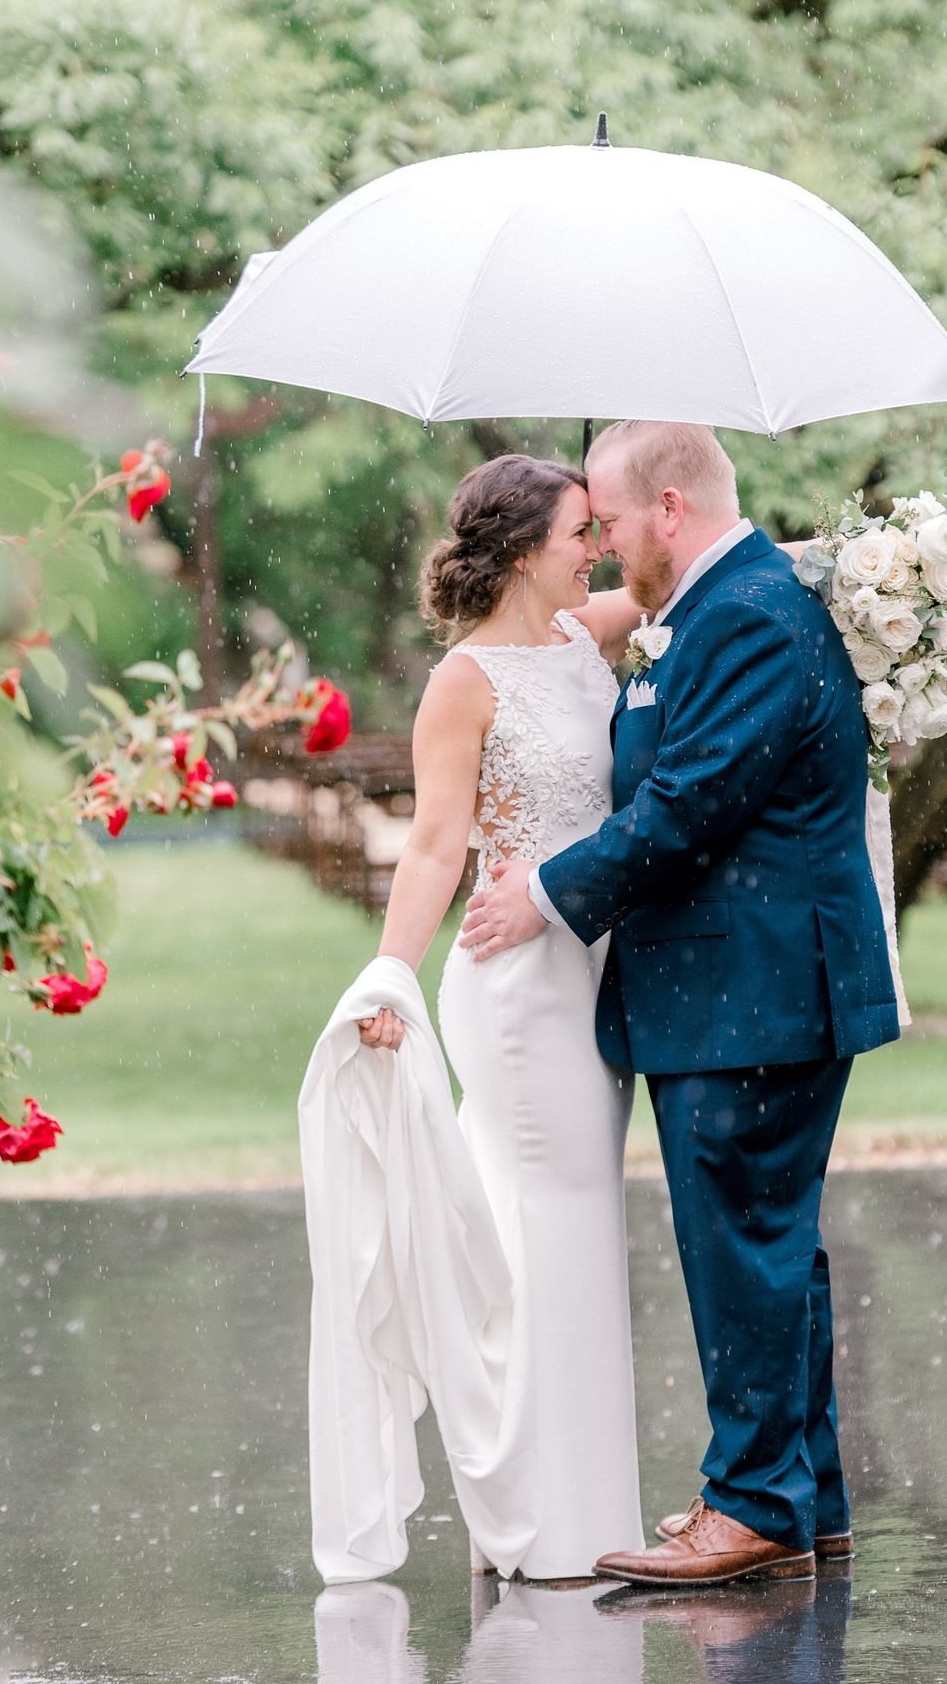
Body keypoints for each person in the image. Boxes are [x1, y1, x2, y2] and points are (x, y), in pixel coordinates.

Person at [460, 421, 900, 1588]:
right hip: (741, 984)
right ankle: (804, 1493)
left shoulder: (744, 614)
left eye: (606, 521)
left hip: (752, 986)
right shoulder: (722, 601)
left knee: (741, 1241)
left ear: (668, 505)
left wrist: (545, 892)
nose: (601, 545)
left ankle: (750, 1503)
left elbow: (687, 804)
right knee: (770, 1242)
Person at [342, 451, 648, 1582]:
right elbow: (432, 843)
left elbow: (691, 579)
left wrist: (843, 563)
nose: (599, 546)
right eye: (580, 531)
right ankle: (537, 1516)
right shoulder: (462, 681)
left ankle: (574, 1505)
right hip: (514, 985)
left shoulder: (583, 635)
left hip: (590, 971)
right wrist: (389, 977)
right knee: (540, 1224)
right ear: (525, 550)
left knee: (573, 1221)